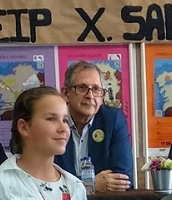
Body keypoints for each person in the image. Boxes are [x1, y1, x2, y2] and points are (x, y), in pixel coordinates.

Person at [55, 61, 133, 192]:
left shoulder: (113, 119)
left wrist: (74, 185)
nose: (90, 96)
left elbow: (123, 179)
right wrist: (90, 185)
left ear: (102, 96)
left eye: (96, 89)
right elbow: (46, 181)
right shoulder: (54, 122)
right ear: (66, 93)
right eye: (82, 88)